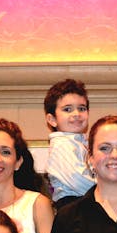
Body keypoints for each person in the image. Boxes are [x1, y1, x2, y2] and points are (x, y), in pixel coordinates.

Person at [43, 78, 93, 209]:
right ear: (52, 119)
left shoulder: (80, 143)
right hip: (72, 206)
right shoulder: (62, 145)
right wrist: (109, 189)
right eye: (67, 109)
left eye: (81, 108)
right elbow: (78, 180)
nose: (76, 114)